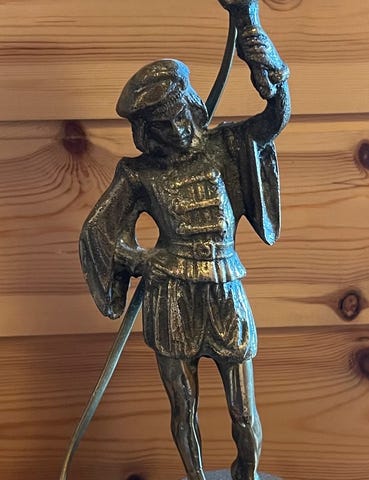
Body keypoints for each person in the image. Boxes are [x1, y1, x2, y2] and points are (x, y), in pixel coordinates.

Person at [79, 1, 290, 479]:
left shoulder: (226, 146)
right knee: (183, 405)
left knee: (243, 408)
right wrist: (139, 260)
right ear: (146, 131)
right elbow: (99, 231)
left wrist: (269, 65)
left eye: (178, 116)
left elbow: (273, 119)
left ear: (191, 107)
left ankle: (247, 472)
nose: (175, 130)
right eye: (161, 125)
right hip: (171, 295)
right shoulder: (139, 174)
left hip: (225, 285)